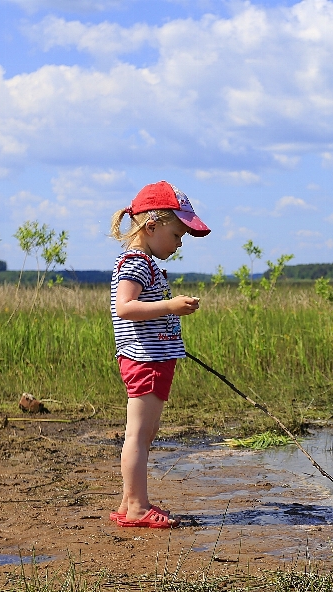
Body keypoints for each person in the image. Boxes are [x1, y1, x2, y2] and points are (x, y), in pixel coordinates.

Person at [107, 180, 211, 528]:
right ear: (152, 226)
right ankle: (136, 506)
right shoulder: (135, 263)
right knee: (138, 435)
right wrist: (171, 305)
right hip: (145, 360)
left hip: (154, 359)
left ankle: (128, 502)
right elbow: (125, 307)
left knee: (145, 434)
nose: (180, 244)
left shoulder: (144, 263)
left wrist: (168, 308)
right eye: (177, 235)